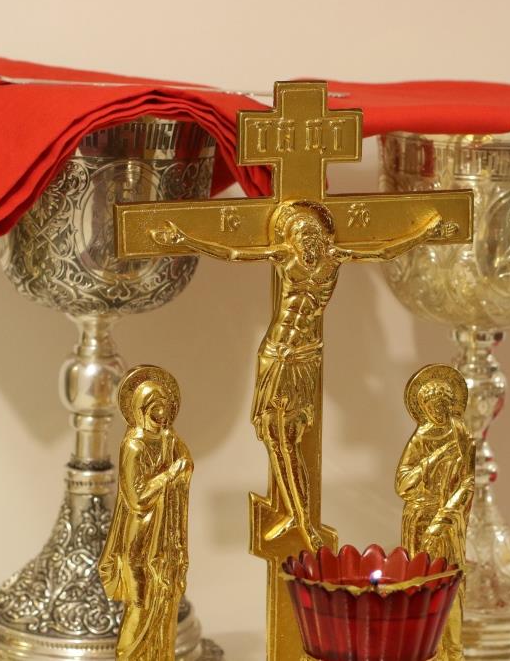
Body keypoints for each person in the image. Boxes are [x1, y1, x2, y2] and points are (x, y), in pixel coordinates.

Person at [154, 200, 442, 550]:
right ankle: (294, 513)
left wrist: (423, 233)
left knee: (290, 440)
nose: (307, 245)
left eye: (312, 237)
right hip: (276, 354)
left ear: (321, 238)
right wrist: (186, 239)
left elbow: (383, 250)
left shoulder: (334, 258)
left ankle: (303, 519)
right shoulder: (284, 257)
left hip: (303, 358)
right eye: (301, 238)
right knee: (274, 437)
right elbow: (232, 253)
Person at [98, 366, 192, 661]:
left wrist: (179, 468)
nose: (162, 418)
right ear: (141, 411)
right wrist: (170, 474)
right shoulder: (134, 446)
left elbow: (186, 465)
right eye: (155, 411)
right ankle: (129, 656)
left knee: (165, 602)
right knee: (139, 606)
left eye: (165, 411)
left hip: (165, 542)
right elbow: (137, 498)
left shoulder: (170, 440)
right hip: (139, 543)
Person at [397, 364, 475, 661]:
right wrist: (432, 461)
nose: (437, 411)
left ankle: (452, 651)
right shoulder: (420, 438)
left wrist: (444, 518)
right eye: (431, 406)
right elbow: (402, 485)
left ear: (450, 404)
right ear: (424, 408)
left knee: (451, 584)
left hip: (448, 522)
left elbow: (467, 482)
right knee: (421, 583)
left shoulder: (462, 435)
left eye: (442, 405)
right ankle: (422, 651)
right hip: (419, 518)